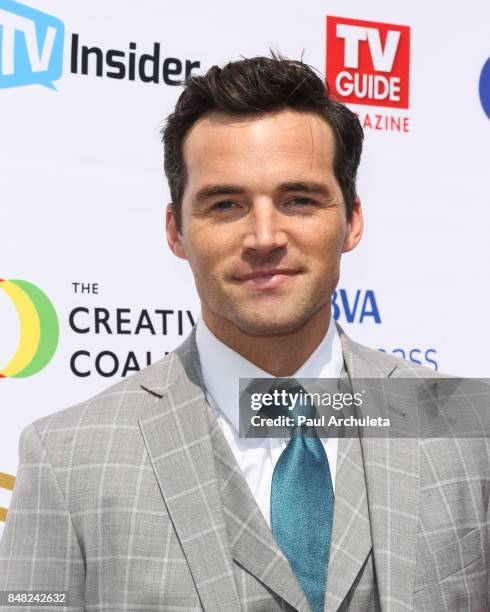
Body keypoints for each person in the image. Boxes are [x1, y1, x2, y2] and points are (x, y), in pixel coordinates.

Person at [0, 54, 488, 612]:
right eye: (226, 204)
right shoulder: (67, 461)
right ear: (176, 230)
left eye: (298, 200)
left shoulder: (467, 430)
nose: (263, 236)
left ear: (351, 220)